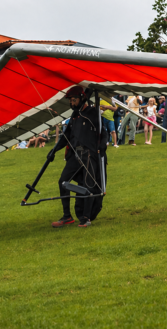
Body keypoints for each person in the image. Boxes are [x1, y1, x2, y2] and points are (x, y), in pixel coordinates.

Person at [46, 86, 106, 229]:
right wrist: (54, 150)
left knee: (89, 185)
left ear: (82, 98)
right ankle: (67, 216)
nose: (71, 103)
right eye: (70, 101)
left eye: (74, 100)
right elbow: (66, 136)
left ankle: (86, 218)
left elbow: (103, 133)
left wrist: (101, 148)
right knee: (63, 181)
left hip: (89, 154)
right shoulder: (74, 117)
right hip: (75, 155)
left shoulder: (92, 113)